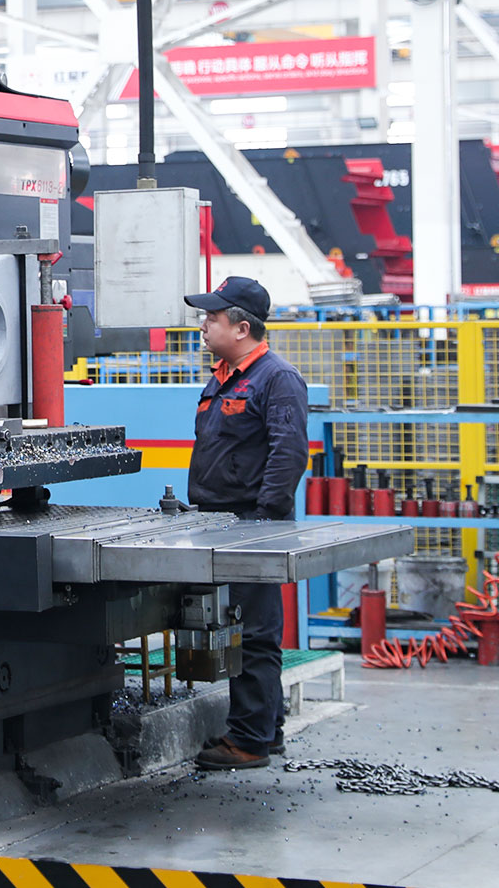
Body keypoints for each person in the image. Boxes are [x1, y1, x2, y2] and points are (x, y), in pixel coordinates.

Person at [183, 275, 309, 772]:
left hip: (251, 524)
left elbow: (288, 453)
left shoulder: (276, 379)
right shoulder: (225, 376)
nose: (203, 325)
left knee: (253, 632)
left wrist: (263, 521)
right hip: (222, 522)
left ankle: (250, 741)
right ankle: (264, 730)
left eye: (212, 318)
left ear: (241, 327)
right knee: (244, 628)